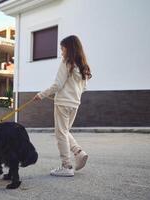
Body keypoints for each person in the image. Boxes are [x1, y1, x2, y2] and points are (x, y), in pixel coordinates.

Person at [33, 35, 92, 177]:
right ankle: (79, 152)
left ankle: (67, 166)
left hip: (63, 103)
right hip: (75, 104)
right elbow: (84, 88)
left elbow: (58, 84)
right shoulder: (82, 66)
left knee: (60, 133)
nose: (61, 52)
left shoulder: (67, 62)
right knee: (64, 131)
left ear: (69, 48)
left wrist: (41, 95)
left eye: (62, 48)